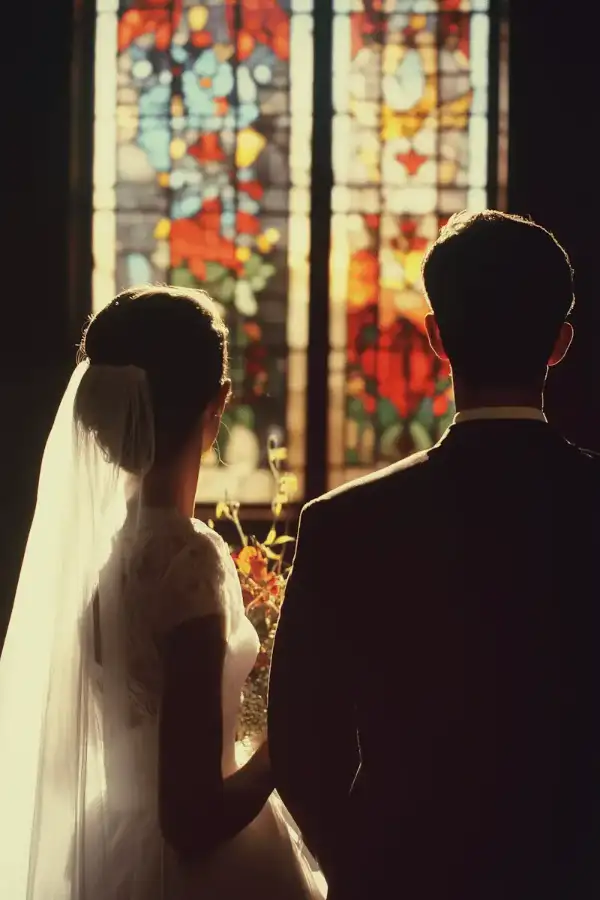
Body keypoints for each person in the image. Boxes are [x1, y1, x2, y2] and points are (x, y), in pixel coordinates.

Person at [269, 210, 600, 899]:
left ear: (437, 338)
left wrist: (362, 867)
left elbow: (301, 747)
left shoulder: (344, 524)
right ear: (560, 344)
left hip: (406, 874)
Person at [0, 285, 325, 899]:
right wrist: (285, 742)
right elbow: (192, 822)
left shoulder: (107, 558)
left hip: (113, 849)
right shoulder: (186, 559)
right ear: (218, 403)